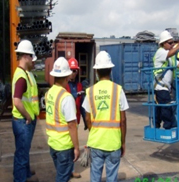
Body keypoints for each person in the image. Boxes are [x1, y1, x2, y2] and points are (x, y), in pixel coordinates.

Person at [82, 51, 129, 182]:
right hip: (113, 142)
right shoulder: (118, 90)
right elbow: (123, 120)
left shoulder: (90, 91)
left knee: (95, 176)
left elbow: (87, 118)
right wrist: (123, 142)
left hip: (96, 142)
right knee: (112, 177)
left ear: (96, 71)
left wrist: (95, 131)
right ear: (110, 69)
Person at [45, 57, 80, 182]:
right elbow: (71, 125)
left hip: (53, 144)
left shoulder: (49, 93)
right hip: (64, 146)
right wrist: (76, 147)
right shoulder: (66, 97)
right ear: (67, 76)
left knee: (61, 174)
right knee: (62, 178)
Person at [12, 40, 39, 182]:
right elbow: (17, 101)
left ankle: (25, 174)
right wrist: (28, 116)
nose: (33, 61)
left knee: (22, 152)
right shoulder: (22, 77)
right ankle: (20, 179)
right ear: (26, 56)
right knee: (22, 155)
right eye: (31, 57)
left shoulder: (23, 73)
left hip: (22, 121)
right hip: (23, 121)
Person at [153, 30, 179, 129]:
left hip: (165, 87)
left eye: (173, 42)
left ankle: (156, 126)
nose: (172, 45)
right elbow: (170, 54)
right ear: (163, 43)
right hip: (160, 86)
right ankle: (169, 127)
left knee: (160, 109)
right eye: (170, 43)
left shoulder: (170, 57)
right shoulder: (160, 52)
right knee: (166, 109)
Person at [65, 57, 86, 179]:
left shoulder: (79, 86)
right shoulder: (64, 85)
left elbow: (82, 105)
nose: (73, 73)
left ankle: (71, 170)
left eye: (75, 70)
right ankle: (66, 170)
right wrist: (74, 95)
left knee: (73, 147)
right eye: (71, 70)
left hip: (75, 121)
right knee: (67, 148)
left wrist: (85, 121)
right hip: (66, 122)